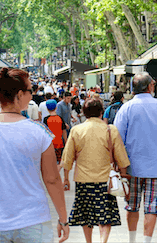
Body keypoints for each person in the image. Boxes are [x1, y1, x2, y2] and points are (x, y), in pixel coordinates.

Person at [0, 68, 69, 243]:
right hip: (33, 221)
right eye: (30, 90)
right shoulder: (39, 132)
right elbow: (52, 179)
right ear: (20, 95)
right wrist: (63, 219)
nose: (31, 95)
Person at [114, 73, 157, 243]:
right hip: (156, 168)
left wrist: (118, 164)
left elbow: (117, 138)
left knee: (132, 205)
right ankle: (146, 241)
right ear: (150, 86)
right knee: (152, 207)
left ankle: (131, 239)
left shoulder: (126, 108)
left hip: (131, 168)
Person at [62, 97, 130, 243]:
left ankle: (88, 241)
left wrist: (66, 178)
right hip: (105, 181)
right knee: (105, 216)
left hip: (83, 180)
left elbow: (67, 158)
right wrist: (124, 175)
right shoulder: (110, 130)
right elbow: (121, 157)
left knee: (86, 215)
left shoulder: (76, 130)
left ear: (84, 113)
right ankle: (103, 241)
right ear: (101, 112)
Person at [43, 99, 67, 166]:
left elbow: (45, 133)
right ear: (56, 107)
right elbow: (64, 132)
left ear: (47, 109)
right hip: (60, 144)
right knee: (59, 162)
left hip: (50, 145)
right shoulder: (60, 118)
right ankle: (58, 174)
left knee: (51, 163)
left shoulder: (46, 119)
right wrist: (66, 142)